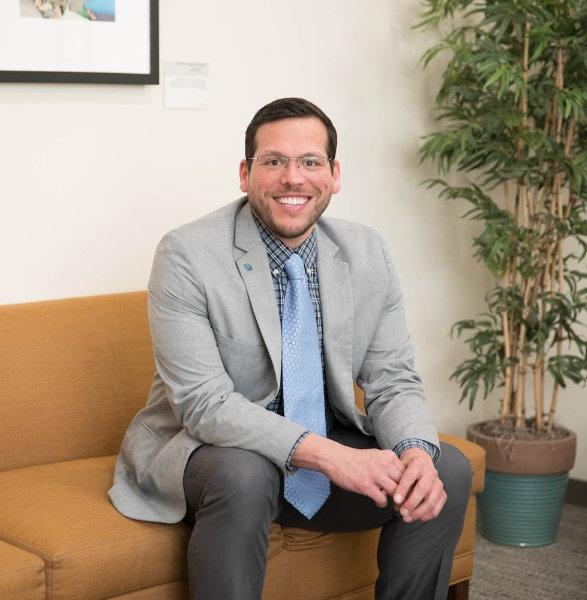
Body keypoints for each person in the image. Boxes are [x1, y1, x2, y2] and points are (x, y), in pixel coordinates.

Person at [108, 97, 472, 600]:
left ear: (334, 174)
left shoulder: (367, 252)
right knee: (245, 473)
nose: (293, 178)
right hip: (214, 453)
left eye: (310, 162)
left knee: (443, 465)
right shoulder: (188, 254)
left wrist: (413, 452)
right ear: (245, 173)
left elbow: (392, 380)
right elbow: (204, 406)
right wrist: (330, 457)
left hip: (319, 448)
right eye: (274, 161)